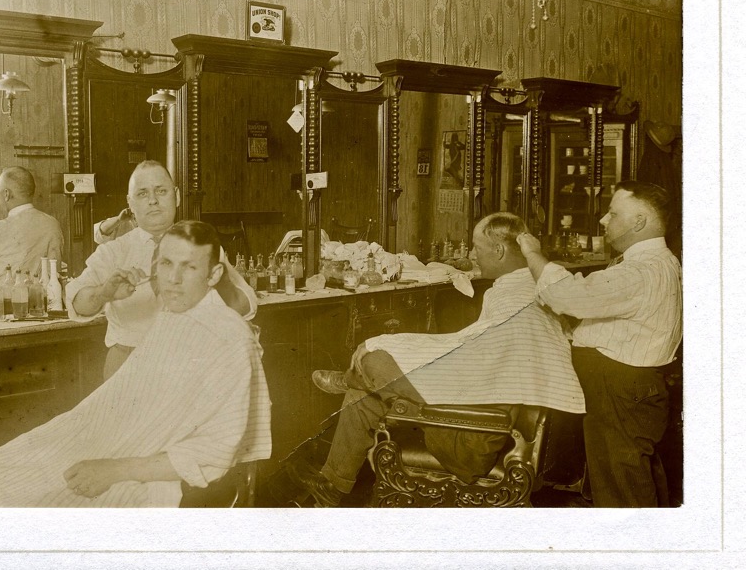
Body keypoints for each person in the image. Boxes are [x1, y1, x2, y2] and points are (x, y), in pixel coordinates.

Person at [0, 220, 271, 507]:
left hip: (153, 475)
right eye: (166, 264)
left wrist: (113, 470)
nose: (173, 279)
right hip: (114, 445)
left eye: (189, 266)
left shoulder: (230, 340)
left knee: (7, 505)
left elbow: (214, 450)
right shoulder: (177, 312)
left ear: (213, 276)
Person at [290, 212, 585, 507]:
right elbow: (471, 353)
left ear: (498, 250)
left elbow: (458, 348)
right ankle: (330, 488)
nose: (471, 254)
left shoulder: (512, 302)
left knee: (375, 364)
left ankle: (350, 381)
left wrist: (378, 342)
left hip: (472, 437)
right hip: (486, 412)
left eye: (476, 247)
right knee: (364, 393)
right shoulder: (532, 287)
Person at [516, 180, 681, 507]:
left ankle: (634, 553)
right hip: (630, 385)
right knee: (634, 472)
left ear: (638, 222)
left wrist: (533, 254)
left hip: (620, 389)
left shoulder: (640, 271)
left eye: (612, 212)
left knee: (622, 486)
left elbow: (567, 295)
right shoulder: (663, 262)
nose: (604, 220)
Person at [65, 160, 257, 380]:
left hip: (191, 365)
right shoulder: (113, 252)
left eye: (161, 191)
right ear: (130, 203)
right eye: (143, 194)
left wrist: (214, 279)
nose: (153, 201)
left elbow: (246, 305)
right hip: (128, 366)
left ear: (175, 196)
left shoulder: (203, 246)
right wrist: (104, 293)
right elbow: (76, 301)